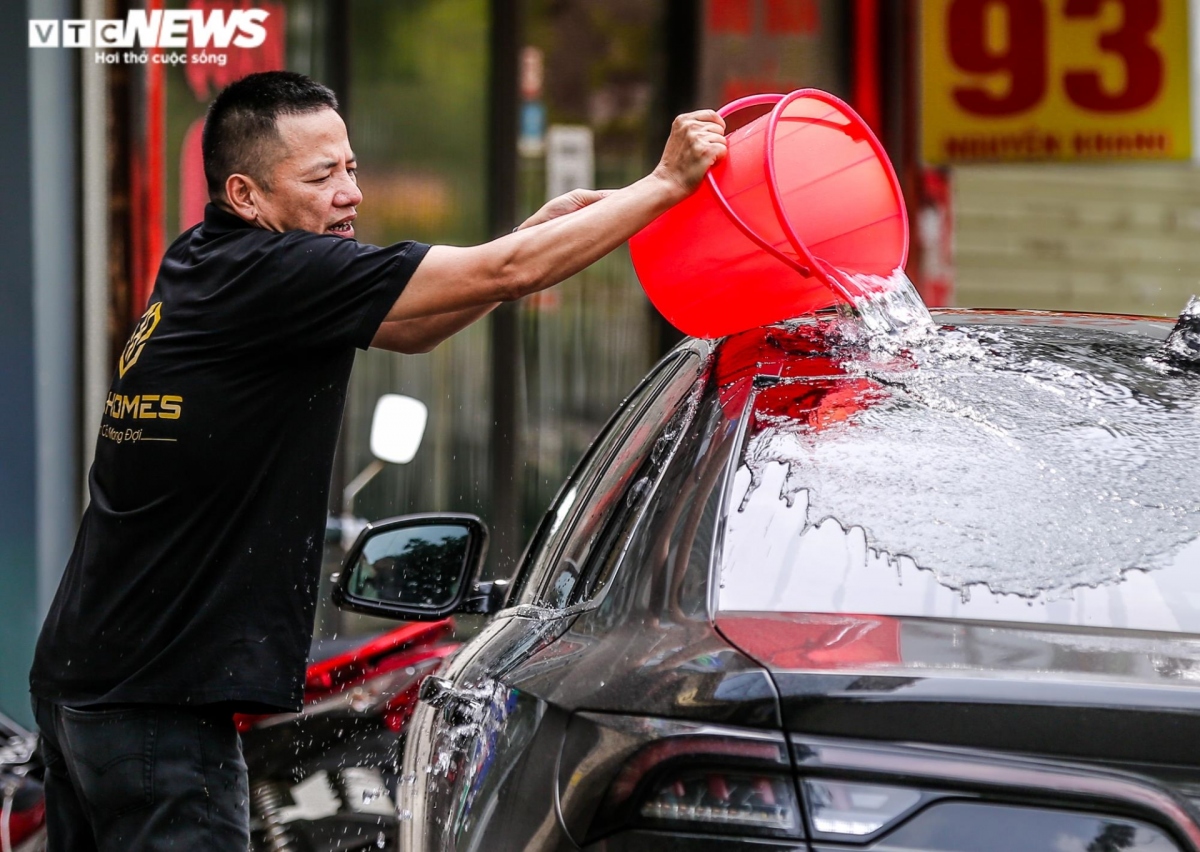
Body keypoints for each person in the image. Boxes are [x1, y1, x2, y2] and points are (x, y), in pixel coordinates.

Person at [27, 70, 725, 851]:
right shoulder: (278, 275)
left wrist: (534, 228)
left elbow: (415, 326)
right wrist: (665, 185)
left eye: (351, 167)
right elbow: (508, 272)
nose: (349, 192)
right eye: (321, 176)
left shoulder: (210, 262)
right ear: (246, 194)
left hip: (89, 681)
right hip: (156, 708)